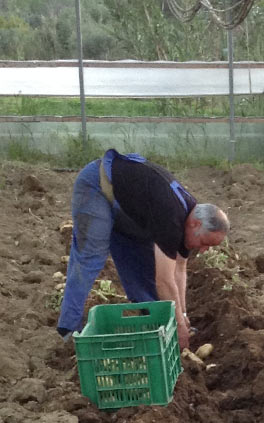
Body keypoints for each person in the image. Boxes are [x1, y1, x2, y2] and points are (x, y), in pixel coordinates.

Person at [56, 148, 229, 350]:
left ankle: (155, 323)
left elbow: (179, 269)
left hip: (127, 207)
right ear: (196, 224)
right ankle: (69, 329)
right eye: (206, 242)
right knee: (90, 256)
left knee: (142, 264)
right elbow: (164, 280)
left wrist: (181, 316)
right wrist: (180, 326)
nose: (205, 250)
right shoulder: (171, 218)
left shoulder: (189, 215)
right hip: (98, 186)